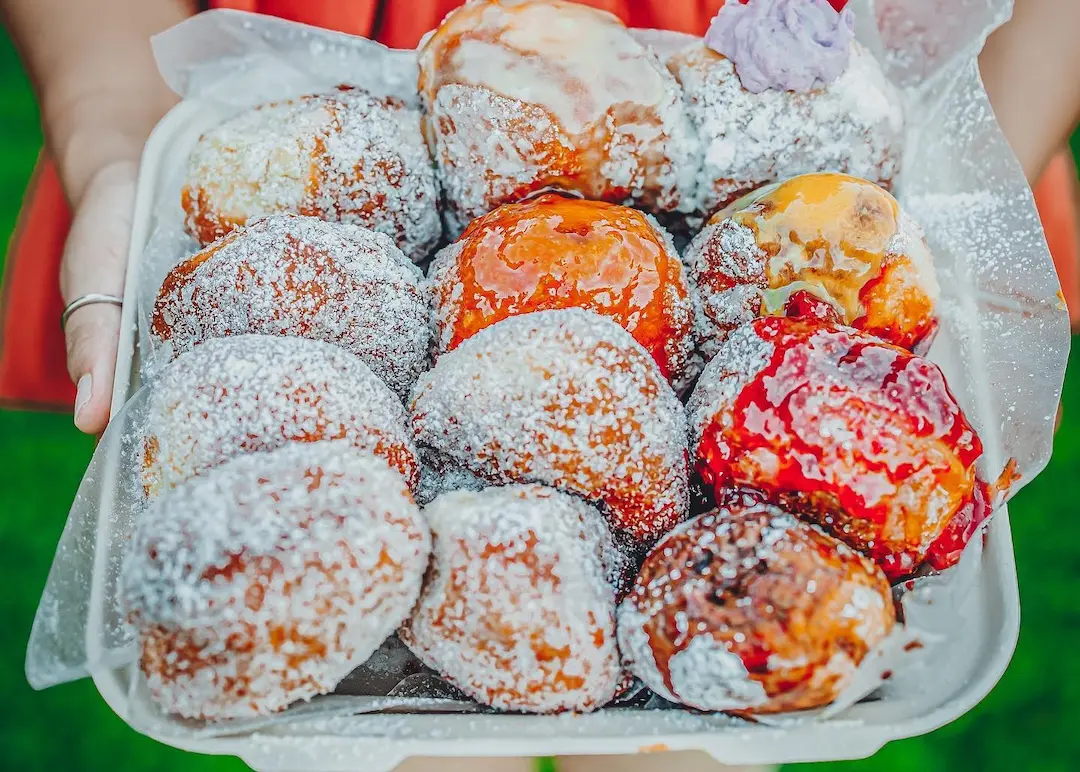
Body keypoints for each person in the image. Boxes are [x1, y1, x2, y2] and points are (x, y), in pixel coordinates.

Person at [0, 1, 1078, 770]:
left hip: (788, 120)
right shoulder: (425, 354)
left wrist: (962, 168)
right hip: (352, 76)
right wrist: (110, 143)